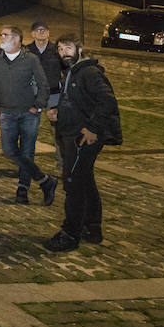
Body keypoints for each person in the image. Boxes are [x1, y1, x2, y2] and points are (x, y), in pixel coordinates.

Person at [45, 36, 122, 251]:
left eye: (68, 47)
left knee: (73, 183)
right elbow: (77, 101)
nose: (64, 52)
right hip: (72, 134)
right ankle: (92, 228)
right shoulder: (71, 72)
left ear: (79, 49)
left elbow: (107, 102)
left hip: (83, 137)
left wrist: (93, 128)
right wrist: (58, 111)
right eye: (60, 49)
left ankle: (70, 234)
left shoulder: (89, 72)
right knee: (85, 181)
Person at [0, 25, 55, 205]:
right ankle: (45, 181)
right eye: (0, 34)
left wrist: (38, 105)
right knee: (9, 150)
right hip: (7, 113)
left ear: (17, 39)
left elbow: (43, 84)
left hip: (28, 113)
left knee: (27, 151)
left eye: (6, 35)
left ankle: (22, 189)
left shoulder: (31, 59)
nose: (1, 37)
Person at [26, 20, 66, 176]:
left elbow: (66, 70)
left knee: (58, 131)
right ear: (32, 34)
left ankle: (62, 165)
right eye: (38, 30)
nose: (41, 33)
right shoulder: (27, 51)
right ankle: (27, 165)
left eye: (44, 30)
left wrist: (60, 83)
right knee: (29, 131)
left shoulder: (56, 50)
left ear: (48, 33)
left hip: (53, 95)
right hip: (33, 96)